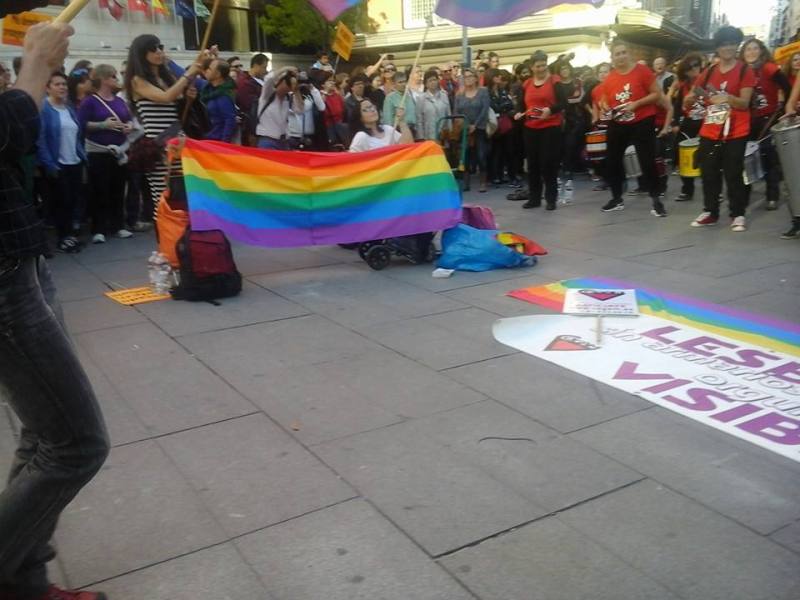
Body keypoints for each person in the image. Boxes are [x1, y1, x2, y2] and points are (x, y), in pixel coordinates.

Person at [0, 18, 111, 600]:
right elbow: (9, 132)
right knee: (77, 444)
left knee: (42, 433)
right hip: (4, 278)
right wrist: (36, 65)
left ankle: (25, 580)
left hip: (21, 255)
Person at [124, 34, 202, 219]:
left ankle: (182, 234)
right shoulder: (137, 80)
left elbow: (176, 105)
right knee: (164, 194)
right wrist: (188, 74)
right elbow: (166, 97)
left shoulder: (167, 77)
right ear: (141, 54)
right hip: (159, 144)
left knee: (184, 193)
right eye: (153, 49)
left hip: (179, 140)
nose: (159, 52)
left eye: (160, 47)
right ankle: (166, 234)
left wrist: (189, 98)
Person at [686, 26, 755, 232]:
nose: (728, 48)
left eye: (732, 43)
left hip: (736, 131)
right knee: (708, 172)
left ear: (737, 46)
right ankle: (710, 211)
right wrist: (691, 99)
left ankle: (738, 213)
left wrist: (728, 98)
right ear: (717, 47)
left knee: (734, 173)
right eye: (724, 44)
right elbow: (694, 94)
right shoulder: (709, 72)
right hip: (710, 130)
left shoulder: (745, 70)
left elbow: (744, 103)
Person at [599, 38, 666, 216]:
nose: (621, 56)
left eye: (623, 52)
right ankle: (616, 198)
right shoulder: (610, 77)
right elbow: (604, 98)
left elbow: (656, 94)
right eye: (617, 54)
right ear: (612, 57)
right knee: (612, 160)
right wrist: (603, 105)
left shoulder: (642, 71)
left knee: (647, 160)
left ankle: (656, 199)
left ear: (629, 53)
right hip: (618, 121)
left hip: (642, 120)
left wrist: (637, 104)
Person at [78, 64, 135, 244]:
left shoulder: (119, 101)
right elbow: (81, 124)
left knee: (118, 189)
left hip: (119, 151)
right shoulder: (90, 101)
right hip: (98, 151)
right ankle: (99, 228)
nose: (116, 79)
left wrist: (129, 126)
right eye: (113, 76)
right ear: (103, 79)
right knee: (99, 190)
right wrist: (103, 125)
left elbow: (129, 119)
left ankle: (118, 225)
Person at [36, 71, 87, 253]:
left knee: (73, 200)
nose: (62, 87)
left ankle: (70, 235)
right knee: (61, 201)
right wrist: (49, 163)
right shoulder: (44, 109)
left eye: (64, 84)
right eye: (57, 84)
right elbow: (40, 139)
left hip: (74, 161)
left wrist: (82, 156)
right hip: (57, 163)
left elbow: (77, 135)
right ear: (47, 88)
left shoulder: (69, 108)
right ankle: (63, 237)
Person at [510, 51, 567, 210]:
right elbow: (522, 104)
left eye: (544, 65)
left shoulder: (555, 81)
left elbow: (563, 103)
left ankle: (551, 198)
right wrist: (518, 112)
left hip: (550, 127)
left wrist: (551, 109)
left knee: (548, 163)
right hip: (531, 128)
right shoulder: (527, 84)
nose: (541, 69)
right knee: (533, 164)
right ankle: (534, 198)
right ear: (532, 67)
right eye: (538, 66)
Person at [740, 37, 792, 211]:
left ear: (761, 51)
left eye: (755, 48)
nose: (752, 52)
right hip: (746, 120)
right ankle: (743, 196)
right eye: (748, 49)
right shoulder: (741, 70)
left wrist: (784, 109)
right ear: (743, 53)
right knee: (745, 159)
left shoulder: (769, 68)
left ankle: (772, 195)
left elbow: (787, 88)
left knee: (768, 158)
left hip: (767, 119)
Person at [671, 53, 705, 201]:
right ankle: (687, 189)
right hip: (689, 122)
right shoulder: (684, 85)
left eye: (696, 65)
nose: (694, 69)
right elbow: (677, 105)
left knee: (708, 157)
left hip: (706, 121)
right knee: (682, 154)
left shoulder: (707, 81)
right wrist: (675, 123)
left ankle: (714, 191)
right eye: (690, 67)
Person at [454, 68, 490, 192]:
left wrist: (475, 125)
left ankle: (483, 182)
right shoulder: (459, 94)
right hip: (464, 129)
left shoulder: (483, 91)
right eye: (465, 77)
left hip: (479, 128)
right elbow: (456, 112)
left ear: (475, 78)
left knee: (481, 155)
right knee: (465, 156)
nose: (468, 79)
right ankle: (466, 182)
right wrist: (465, 125)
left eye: (470, 76)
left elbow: (484, 110)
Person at [556, 62, 586, 200]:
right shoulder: (557, 84)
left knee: (571, 145)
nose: (564, 70)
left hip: (574, 119)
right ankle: (561, 170)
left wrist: (562, 103)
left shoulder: (576, 82)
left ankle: (568, 171)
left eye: (566, 68)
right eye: (562, 68)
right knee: (560, 146)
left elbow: (579, 97)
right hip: (559, 118)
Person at [255, 66, 304, 150]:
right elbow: (269, 78)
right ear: (280, 81)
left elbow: (300, 110)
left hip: (284, 142)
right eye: (287, 82)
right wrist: (286, 69)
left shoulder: (288, 98)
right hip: (267, 140)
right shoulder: (268, 94)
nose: (288, 87)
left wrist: (296, 90)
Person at [348, 98, 413, 152]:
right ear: (359, 117)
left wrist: (401, 121)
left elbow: (408, 145)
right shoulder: (361, 136)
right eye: (366, 109)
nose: (372, 110)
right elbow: (353, 159)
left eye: (372, 107)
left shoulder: (387, 129)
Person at [486, 68, 516, 185]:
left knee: (509, 150)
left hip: (505, 124)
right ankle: (494, 175)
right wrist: (503, 107)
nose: (500, 78)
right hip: (493, 124)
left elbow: (509, 104)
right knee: (494, 151)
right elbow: (494, 106)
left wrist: (502, 107)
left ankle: (510, 175)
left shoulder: (502, 90)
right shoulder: (486, 92)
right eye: (497, 76)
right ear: (491, 78)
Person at [236, 53, 268, 146]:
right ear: (255, 65)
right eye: (264, 67)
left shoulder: (263, 81)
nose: (265, 71)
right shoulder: (245, 83)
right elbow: (249, 105)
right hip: (251, 127)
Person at [201, 58, 237, 143]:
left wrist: (224, 143)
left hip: (217, 141)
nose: (206, 70)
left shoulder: (224, 95)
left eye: (209, 69)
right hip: (208, 138)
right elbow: (189, 77)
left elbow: (230, 120)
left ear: (218, 74)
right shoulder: (209, 89)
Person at [287, 71, 324, 150]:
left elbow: (322, 108)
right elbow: (300, 109)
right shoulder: (290, 95)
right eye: (300, 82)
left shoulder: (311, 95)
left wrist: (312, 88)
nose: (302, 84)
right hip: (293, 135)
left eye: (305, 82)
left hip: (309, 135)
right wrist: (296, 90)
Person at [416, 69, 451, 141]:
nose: (433, 82)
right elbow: (419, 120)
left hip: (443, 135)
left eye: (434, 80)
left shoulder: (444, 95)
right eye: (430, 81)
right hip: (428, 136)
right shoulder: (421, 98)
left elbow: (448, 115)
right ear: (425, 84)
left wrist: (450, 131)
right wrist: (421, 137)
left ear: (438, 81)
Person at [382, 70, 417, 136]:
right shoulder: (390, 98)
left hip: (413, 130)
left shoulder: (410, 95)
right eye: (400, 82)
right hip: (399, 131)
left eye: (405, 81)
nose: (404, 84)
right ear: (394, 84)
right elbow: (388, 120)